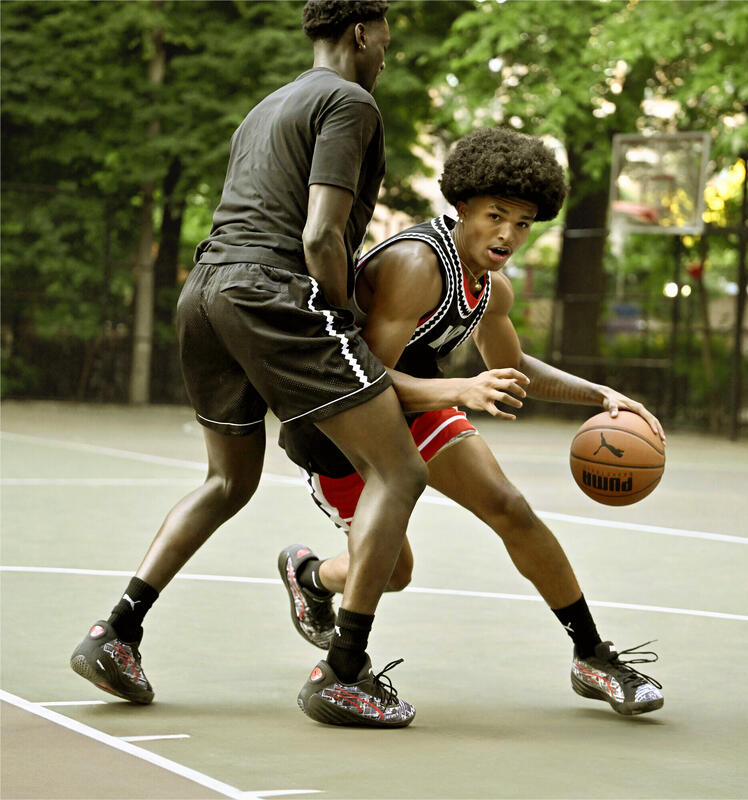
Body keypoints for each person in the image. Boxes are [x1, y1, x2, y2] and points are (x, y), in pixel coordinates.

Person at [70, 0, 424, 729]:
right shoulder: (350, 102)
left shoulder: (266, 107)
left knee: (227, 480)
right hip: (272, 291)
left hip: (204, 294)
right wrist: (344, 325)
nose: (389, 48)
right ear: (361, 31)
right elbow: (322, 234)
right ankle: (343, 673)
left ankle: (118, 632)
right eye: (386, 34)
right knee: (400, 471)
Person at [278, 127, 666, 718]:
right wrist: (461, 388)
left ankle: (592, 656)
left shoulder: (490, 287)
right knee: (395, 571)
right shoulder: (416, 264)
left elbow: (512, 369)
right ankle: (311, 576)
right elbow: (366, 380)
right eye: (495, 215)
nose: (509, 234)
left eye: (524, 223)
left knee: (510, 507)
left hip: (421, 401)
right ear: (462, 207)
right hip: (343, 425)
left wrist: (598, 394)